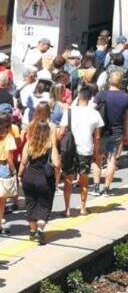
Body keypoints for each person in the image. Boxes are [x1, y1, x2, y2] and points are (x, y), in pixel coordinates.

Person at [58, 87, 102, 216]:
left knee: (68, 179)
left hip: (70, 150)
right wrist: (96, 153)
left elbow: (61, 132)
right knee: (84, 179)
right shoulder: (95, 113)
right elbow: (97, 137)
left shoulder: (69, 112)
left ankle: (67, 209)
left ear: (78, 97)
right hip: (86, 149)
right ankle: (83, 208)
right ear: (90, 99)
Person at [19, 121, 60, 245]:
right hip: (45, 180)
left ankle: (32, 231)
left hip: (29, 177)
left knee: (30, 203)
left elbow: (23, 162)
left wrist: (20, 175)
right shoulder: (50, 146)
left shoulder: (29, 144)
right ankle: (40, 230)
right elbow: (57, 164)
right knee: (44, 203)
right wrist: (57, 179)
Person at [93, 71, 128, 196]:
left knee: (97, 159)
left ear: (109, 81)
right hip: (117, 132)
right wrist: (126, 133)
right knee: (112, 160)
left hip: (100, 131)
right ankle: (107, 189)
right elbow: (126, 118)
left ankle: (96, 187)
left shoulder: (101, 94)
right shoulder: (125, 97)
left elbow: (91, 110)